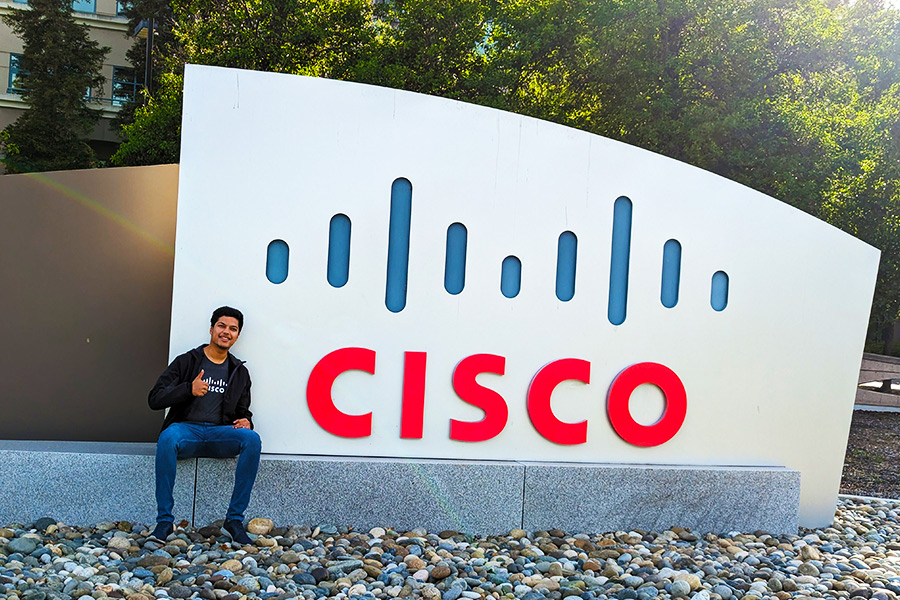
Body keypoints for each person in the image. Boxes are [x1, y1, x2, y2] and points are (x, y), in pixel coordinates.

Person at [147, 306, 261, 545]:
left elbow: (243, 410)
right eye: (222, 326)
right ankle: (164, 521)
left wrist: (246, 420)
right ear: (211, 329)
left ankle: (234, 520)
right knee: (168, 437)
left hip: (219, 435)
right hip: (187, 431)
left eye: (233, 329)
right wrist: (188, 389)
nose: (226, 332)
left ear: (237, 335)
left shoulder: (240, 372)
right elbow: (154, 399)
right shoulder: (187, 361)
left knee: (252, 439)